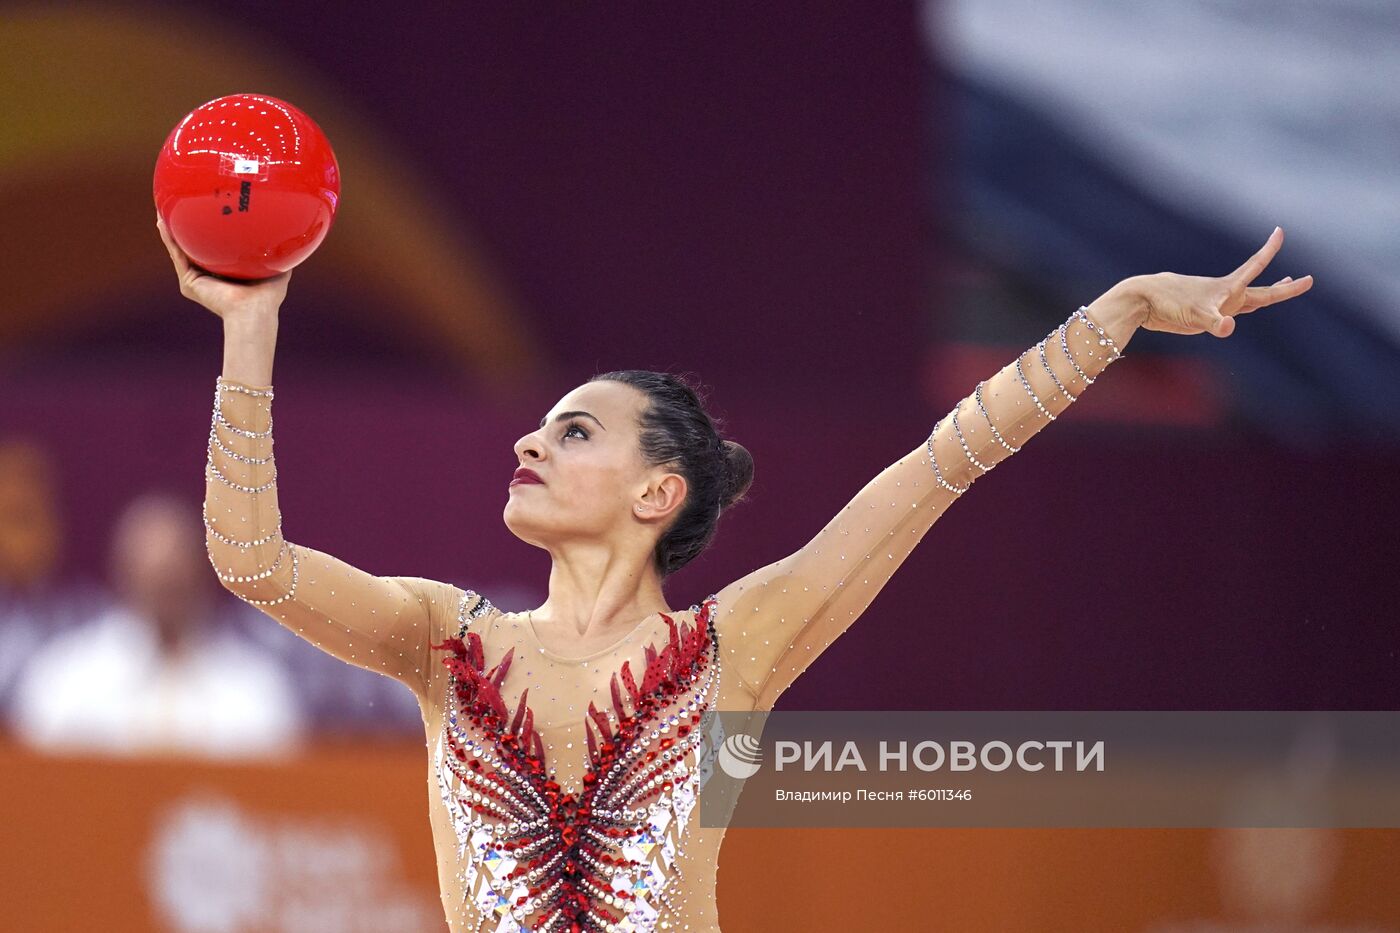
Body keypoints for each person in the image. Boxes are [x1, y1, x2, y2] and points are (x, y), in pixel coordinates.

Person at [160, 213, 1311, 932]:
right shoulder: (445, 642)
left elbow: (943, 462)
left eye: (573, 433)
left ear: (656, 492)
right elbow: (248, 560)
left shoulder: (732, 647)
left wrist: (1111, 315)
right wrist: (249, 332)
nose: (527, 444)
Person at [10, 491, 304, 758]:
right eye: (154, 579)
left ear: (204, 573)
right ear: (121, 573)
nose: (166, 590)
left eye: (175, 579)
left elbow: (275, 798)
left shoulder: (256, 689)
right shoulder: (63, 680)